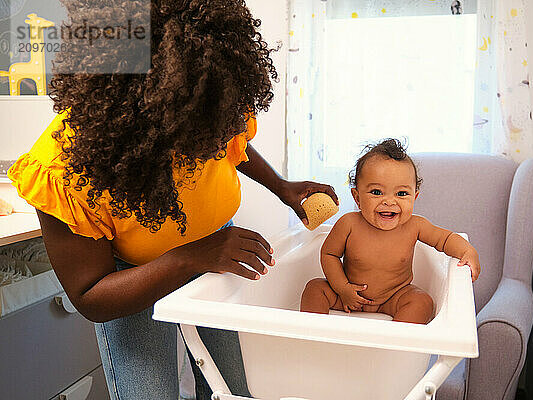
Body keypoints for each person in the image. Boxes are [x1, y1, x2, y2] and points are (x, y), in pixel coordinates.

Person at [7, 1, 337, 399]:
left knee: (230, 386)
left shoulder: (211, 94)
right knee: (151, 393)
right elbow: (90, 295)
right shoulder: (65, 167)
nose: (214, 145)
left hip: (217, 247)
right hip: (130, 274)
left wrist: (281, 187)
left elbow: (232, 140)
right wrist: (189, 257)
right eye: (199, 138)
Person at [300, 138, 480, 324]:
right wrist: (343, 288)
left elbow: (445, 239)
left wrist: (467, 251)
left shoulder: (415, 226)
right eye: (377, 192)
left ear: (415, 196)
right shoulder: (349, 223)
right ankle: (313, 336)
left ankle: (393, 345)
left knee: (422, 301)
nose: (389, 201)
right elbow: (329, 254)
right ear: (357, 197)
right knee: (315, 289)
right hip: (347, 296)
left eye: (401, 194)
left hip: (393, 297)